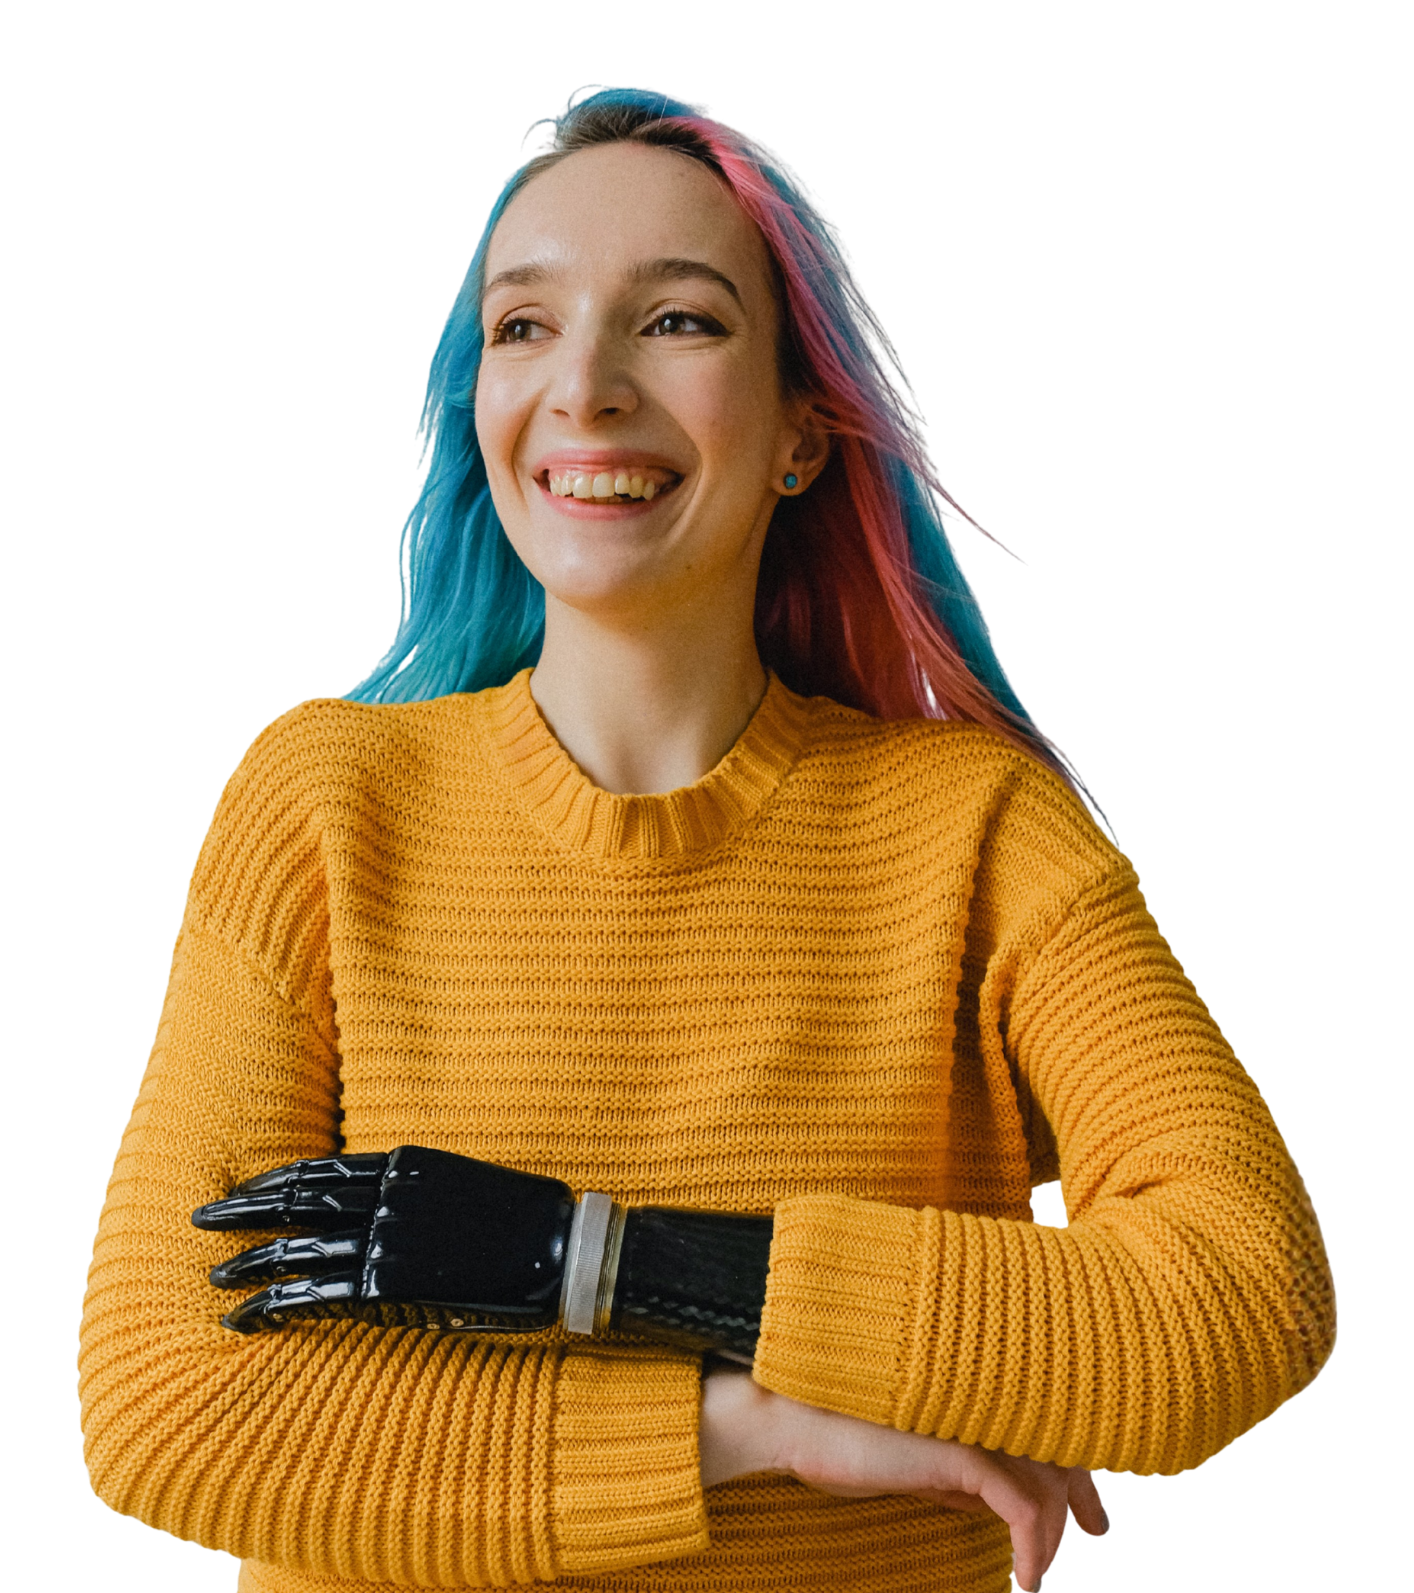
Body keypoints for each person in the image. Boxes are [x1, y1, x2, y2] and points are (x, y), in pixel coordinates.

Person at [76, 87, 1338, 1593]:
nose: (587, 388)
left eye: (676, 322)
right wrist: (759, 1418)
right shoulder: (322, 801)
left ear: (805, 432)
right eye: (525, 326)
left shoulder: (980, 830)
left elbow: (1235, 1300)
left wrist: (594, 1262)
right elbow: (170, 1412)